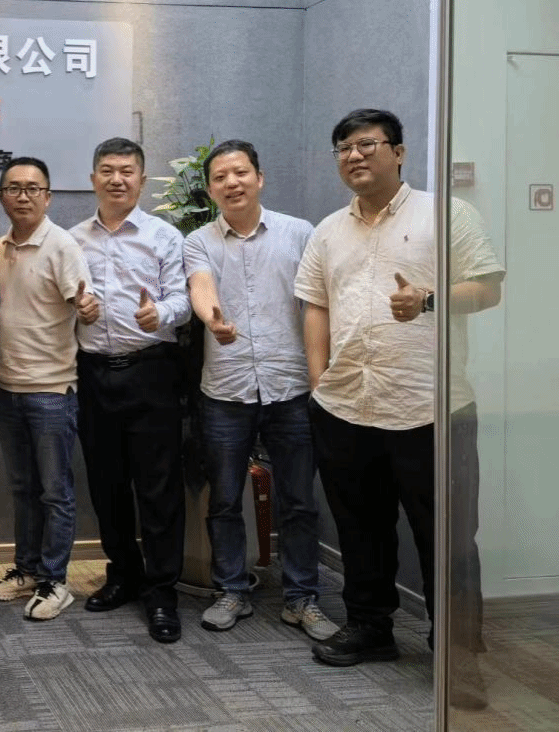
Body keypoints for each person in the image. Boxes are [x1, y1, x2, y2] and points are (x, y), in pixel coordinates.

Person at [294, 108, 503, 673]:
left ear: (399, 152)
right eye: (343, 148)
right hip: (345, 406)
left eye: (367, 144)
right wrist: (317, 380)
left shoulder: (446, 213)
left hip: (430, 407)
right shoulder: (327, 231)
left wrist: (428, 300)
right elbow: (316, 305)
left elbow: (487, 288)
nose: (354, 156)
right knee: (360, 528)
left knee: (448, 536)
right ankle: (370, 627)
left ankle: (458, 652)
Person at [183, 140, 336, 640]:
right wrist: (212, 319)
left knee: (299, 501)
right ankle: (232, 589)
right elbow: (200, 285)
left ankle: (301, 598)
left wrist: (319, 375)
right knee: (225, 499)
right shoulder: (199, 240)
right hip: (225, 391)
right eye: (220, 177)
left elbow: (318, 303)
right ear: (210, 190)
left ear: (259, 177)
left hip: (290, 386)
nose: (232, 182)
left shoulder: (300, 232)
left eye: (240, 172)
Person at [70, 136, 191, 643]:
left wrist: (158, 313)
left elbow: (184, 299)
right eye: (107, 170)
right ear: (93, 178)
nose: (116, 179)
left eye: (126, 171)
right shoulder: (72, 239)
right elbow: (57, 302)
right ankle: (123, 573)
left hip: (151, 372)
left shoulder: (164, 236)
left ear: (141, 179)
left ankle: (162, 591)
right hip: (93, 373)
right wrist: (76, 310)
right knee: (107, 483)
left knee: (158, 487)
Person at [0, 157, 99, 620]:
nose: (24, 196)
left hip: (52, 391)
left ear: (48, 197)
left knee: (55, 492)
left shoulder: (62, 245)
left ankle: (56, 580)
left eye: (33, 188)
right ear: (2, 198)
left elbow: (84, 300)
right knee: (22, 488)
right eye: (14, 188)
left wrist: (88, 307)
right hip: (8, 388)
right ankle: (28, 570)